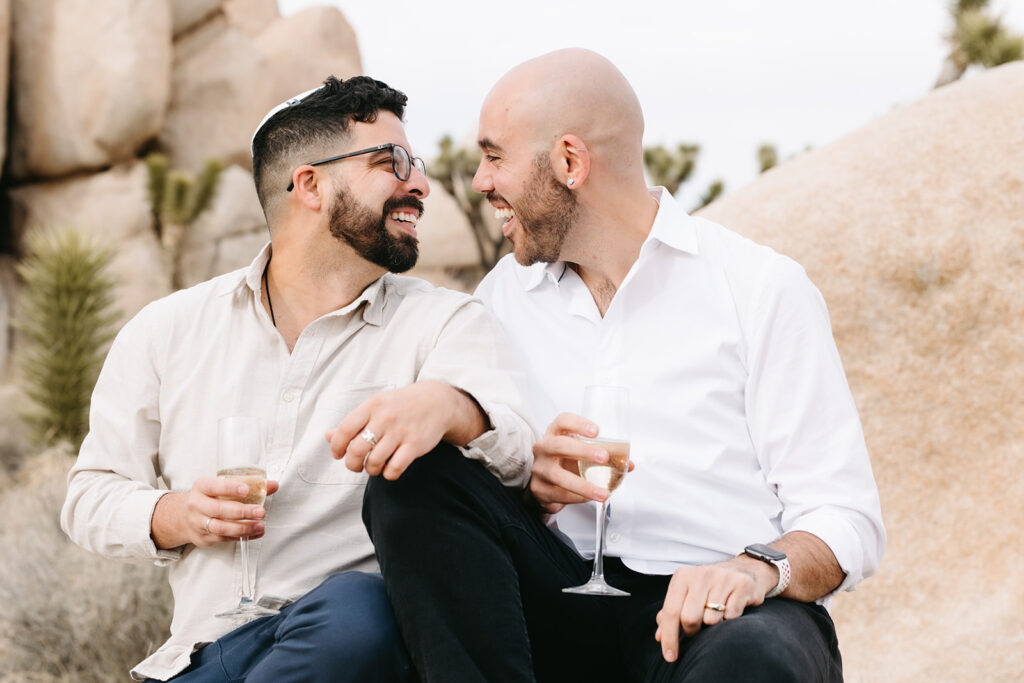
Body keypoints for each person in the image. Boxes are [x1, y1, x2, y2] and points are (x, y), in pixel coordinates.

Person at [362, 49, 886, 682]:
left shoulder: (759, 287)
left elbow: (845, 517)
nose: (479, 181)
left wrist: (753, 569)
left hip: (717, 619)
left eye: (495, 156)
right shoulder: (502, 297)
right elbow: (481, 505)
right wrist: (532, 487)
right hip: (560, 600)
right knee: (416, 481)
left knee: (754, 661)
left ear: (570, 162)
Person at [60, 75, 534, 682]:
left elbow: (517, 457)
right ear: (309, 184)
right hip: (202, 657)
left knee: (358, 607)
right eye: (392, 162)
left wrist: (451, 407)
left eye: (415, 164)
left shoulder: (445, 323)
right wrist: (174, 514)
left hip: (359, 645)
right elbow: (89, 494)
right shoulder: (166, 330)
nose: (420, 183)